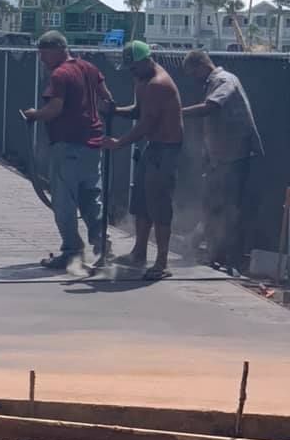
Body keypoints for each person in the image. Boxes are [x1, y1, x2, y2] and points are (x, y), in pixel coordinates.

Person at [23, 31, 115, 270]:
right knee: (91, 198)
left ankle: (72, 251)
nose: (42, 59)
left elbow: (54, 108)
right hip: (92, 145)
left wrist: (35, 115)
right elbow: (107, 99)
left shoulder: (60, 74)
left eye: (43, 53)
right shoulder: (89, 68)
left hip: (67, 146)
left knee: (64, 201)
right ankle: (103, 244)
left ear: (56, 50)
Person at [101, 41, 183, 280]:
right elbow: (138, 112)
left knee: (159, 204)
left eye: (134, 67)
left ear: (148, 60)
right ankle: (139, 252)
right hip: (153, 146)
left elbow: (147, 123)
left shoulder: (158, 84)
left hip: (166, 149)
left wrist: (119, 143)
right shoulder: (142, 81)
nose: (131, 72)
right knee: (141, 201)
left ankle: (162, 262)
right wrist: (115, 111)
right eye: (129, 68)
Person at [182, 50, 263, 274]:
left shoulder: (224, 81)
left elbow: (212, 107)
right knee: (213, 205)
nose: (193, 79)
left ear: (201, 66)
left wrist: (176, 113)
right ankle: (210, 251)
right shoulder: (216, 81)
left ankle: (227, 260)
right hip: (221, 157)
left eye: (192, 73)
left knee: (229, 209)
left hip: (234, 157)